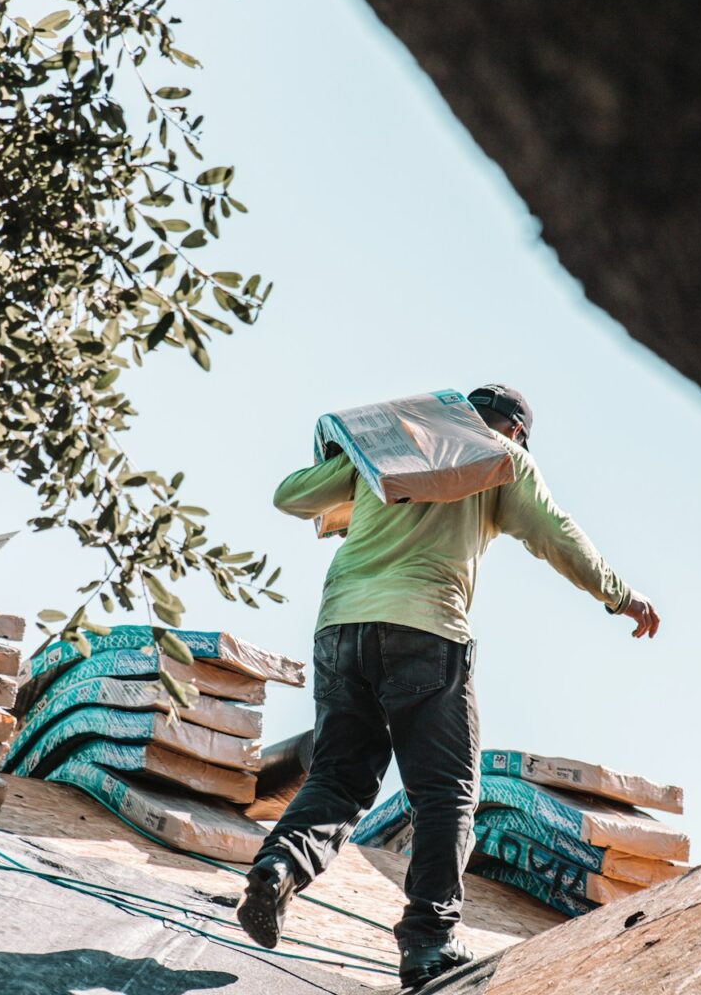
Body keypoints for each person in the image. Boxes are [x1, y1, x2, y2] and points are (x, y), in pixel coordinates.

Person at [237, 384, 660, 988]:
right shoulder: (504, 461)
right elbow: (556, 534)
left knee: (338, 775)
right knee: (447, 792)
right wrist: (621, 596)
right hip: (426, 631)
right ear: (514, 432)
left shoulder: (394, 449)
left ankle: (280, 866)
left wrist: (349, 458)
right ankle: (429, 942)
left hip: (341, 629)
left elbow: (290, 497)